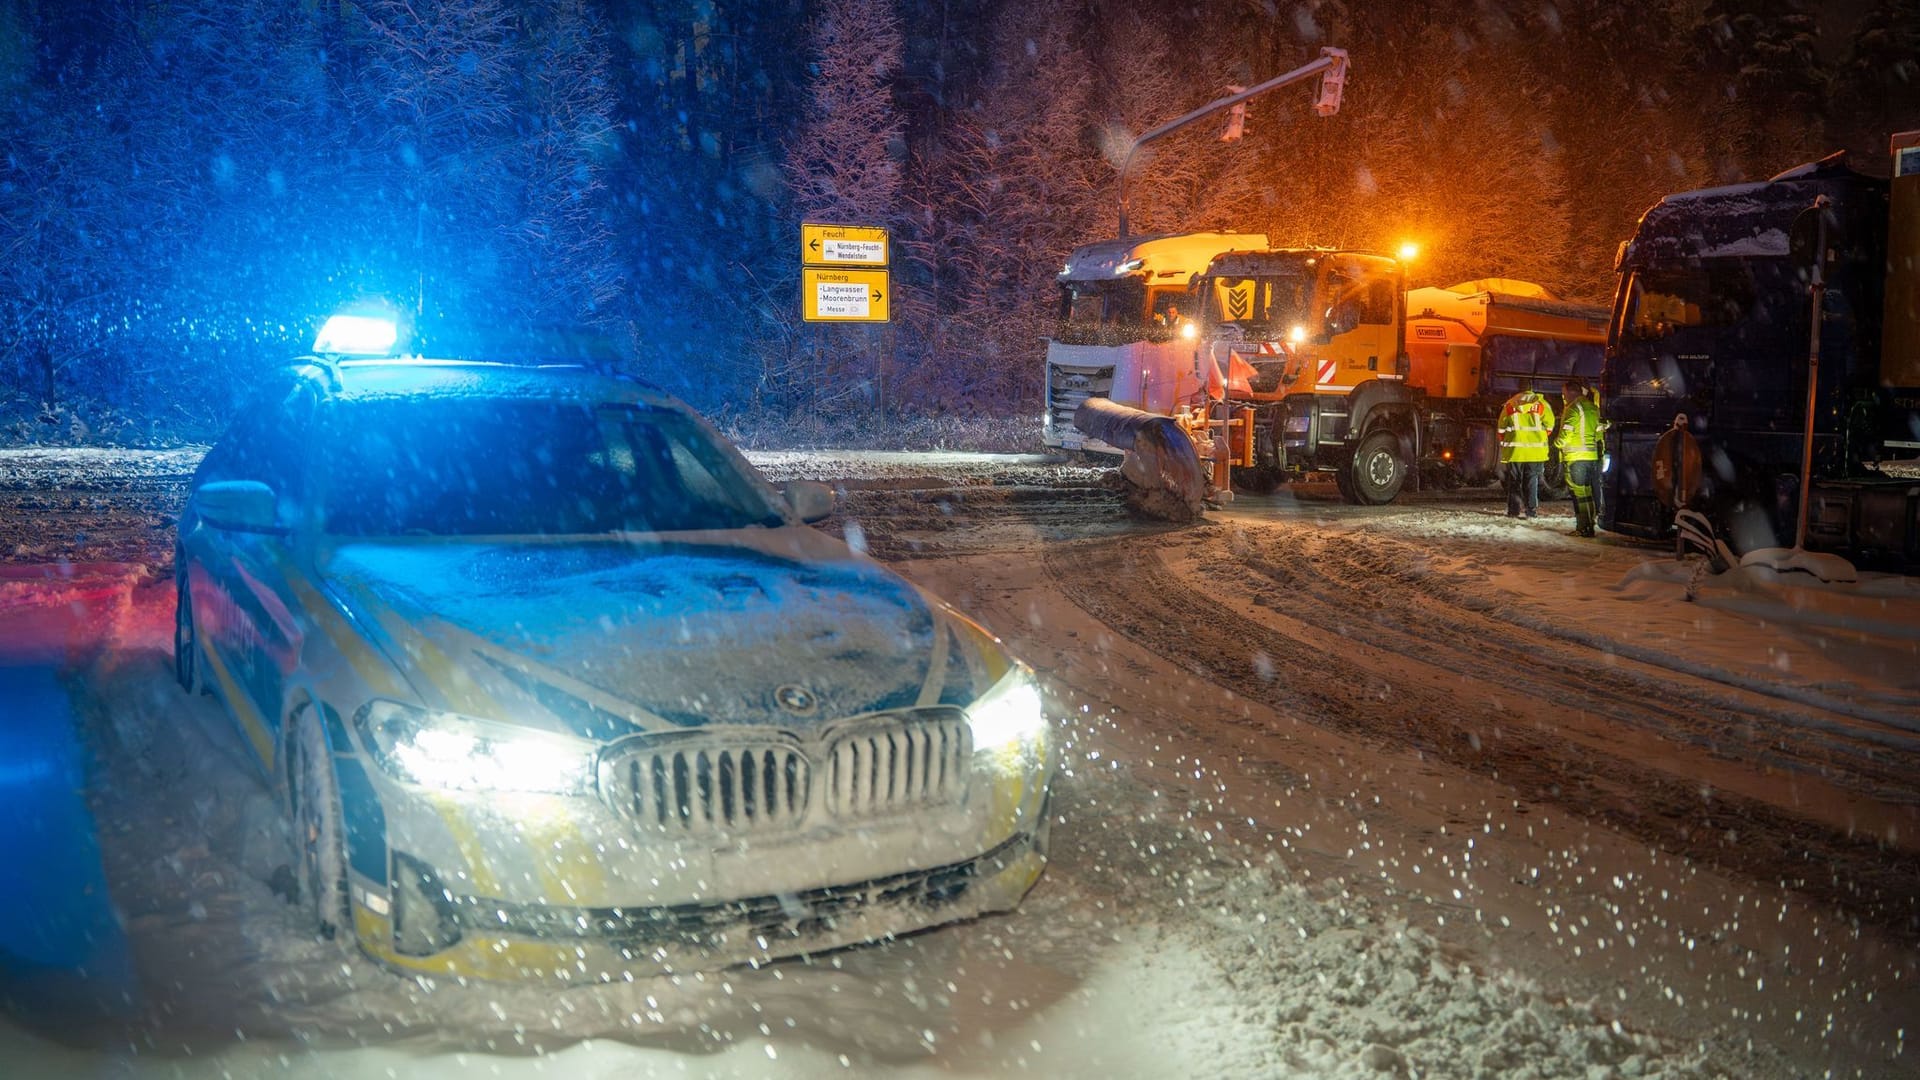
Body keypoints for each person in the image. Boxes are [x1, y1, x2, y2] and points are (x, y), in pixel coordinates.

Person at [1498, 382, 1555, 518]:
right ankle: (1531, 511)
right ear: (1531, 389)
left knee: (1514, 481)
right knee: (1531, 480)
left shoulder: (1510, 405)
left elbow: (1501, 428)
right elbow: (1550, 426)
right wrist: (1537, 438)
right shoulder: (1542, 405)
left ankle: (1514, 511)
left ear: (1518, 389)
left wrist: (1509, 441)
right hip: (1535, 452)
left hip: (1515, 451)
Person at [1555, 378, 1603, 536]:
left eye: (1564, 394)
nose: (1564, 397)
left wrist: (1557, 444)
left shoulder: (1573, 408)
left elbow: (1566, 433)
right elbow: (1599, 429)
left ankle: (1583, 527)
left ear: (1570, 392)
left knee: (1579, 495)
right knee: (1587, 493)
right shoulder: (1592, 407)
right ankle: (1589, 525)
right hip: (1590, 456)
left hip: (1576, 457)